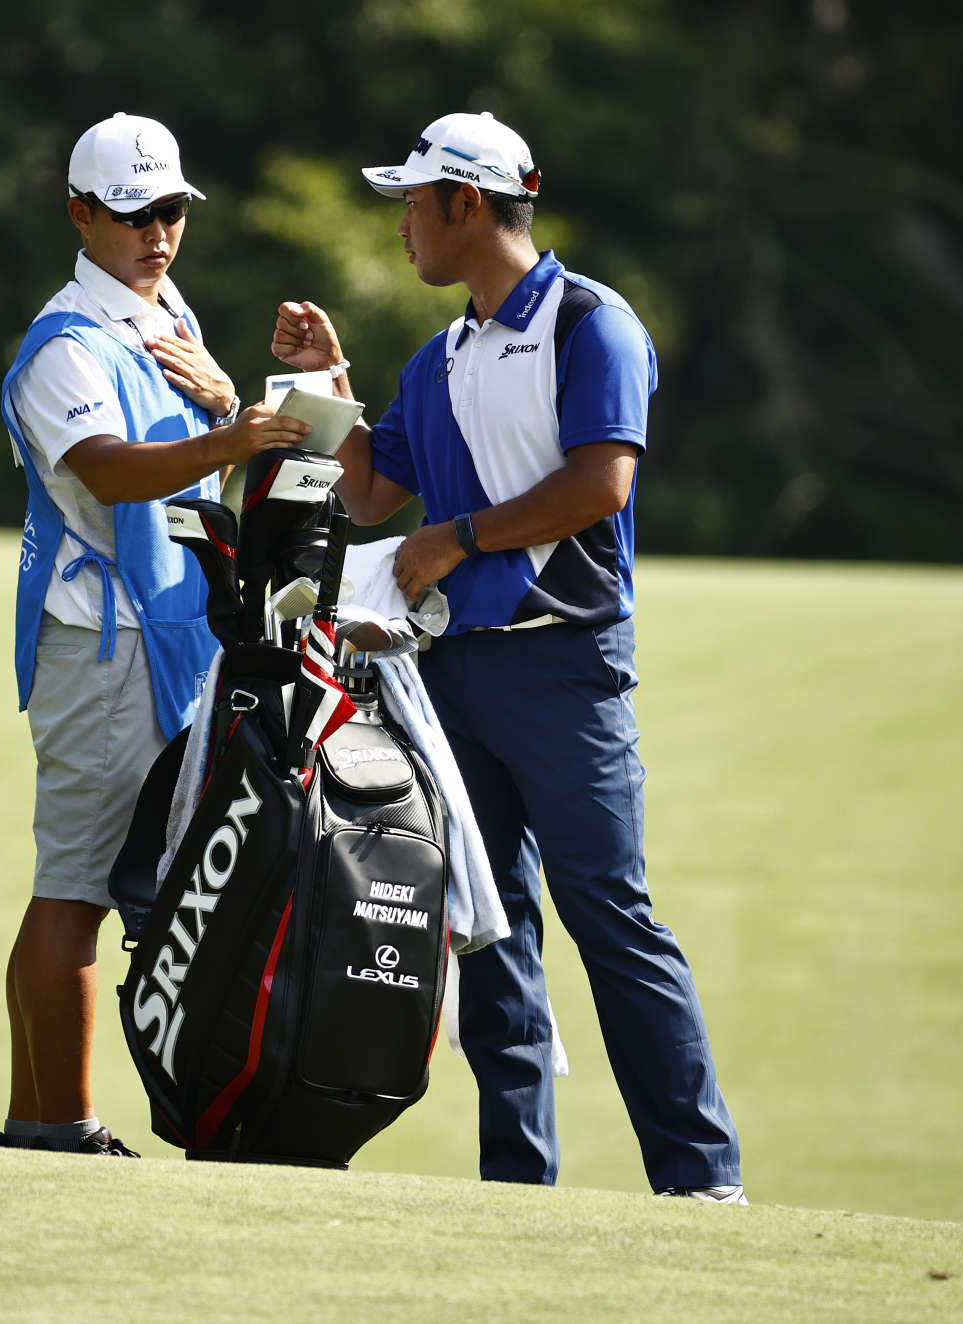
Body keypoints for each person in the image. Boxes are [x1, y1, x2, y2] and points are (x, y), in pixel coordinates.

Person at [271, 111, 744, 1198]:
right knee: (488, 931)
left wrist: (459, 538)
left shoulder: (593, 324)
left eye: (412, 206)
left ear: (468, 205)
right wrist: (329, 382)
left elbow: (601, 485)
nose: (402, 230)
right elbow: (367, 489)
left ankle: (700, 1175)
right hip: (454, 677)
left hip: (565, 667)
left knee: (609, 912)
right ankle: (517, 1182)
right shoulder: (438, 358)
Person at [0, 113, 309, 1156]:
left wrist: (229, 403)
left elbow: (206, 467)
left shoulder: (163, 312)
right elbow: (111, 467)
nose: (157, 232)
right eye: (132, 214)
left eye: (171, 210)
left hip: (176, 634)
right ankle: (59, 1125)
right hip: (98, 644)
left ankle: (46, 1123)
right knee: (75, 885)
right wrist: (233, 429)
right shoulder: (63, 345)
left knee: (150, 886)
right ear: (80, 214)